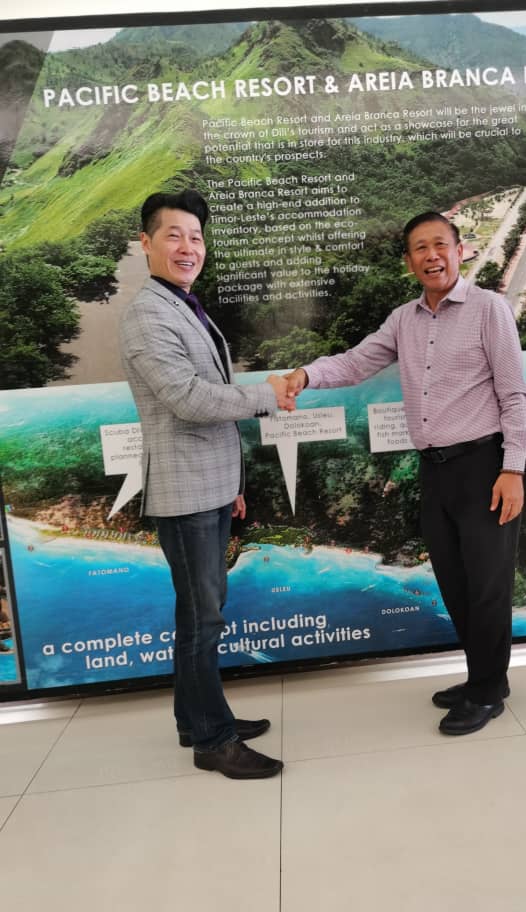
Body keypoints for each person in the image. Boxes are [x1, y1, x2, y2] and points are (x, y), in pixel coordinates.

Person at [286, 212, 526, 735]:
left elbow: (515, 395)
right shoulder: (403, 320)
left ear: (460, 251)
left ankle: (487, 693)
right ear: (409, 261)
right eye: (420, 248)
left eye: (440, 244)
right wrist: (306, 374)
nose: (431, 255)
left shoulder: (489, 309)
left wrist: (513, 468)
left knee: (487, 586)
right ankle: (484, 677)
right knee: (455, 584)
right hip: (435, 471)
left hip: (484, 466)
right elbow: (354, 363)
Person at [120, 189, 293, 778]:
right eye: (173, 235)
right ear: (146, 243)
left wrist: (232, 483)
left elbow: (206, 401)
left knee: (198, 613)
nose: (187, 247)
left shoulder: (182, 303)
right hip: (185, 493)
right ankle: (214, 742)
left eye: (195, 237)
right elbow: (189, 400)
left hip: (209, 486)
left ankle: (193, 720)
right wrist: (267, 395)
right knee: (203, 618)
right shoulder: (148, 314)